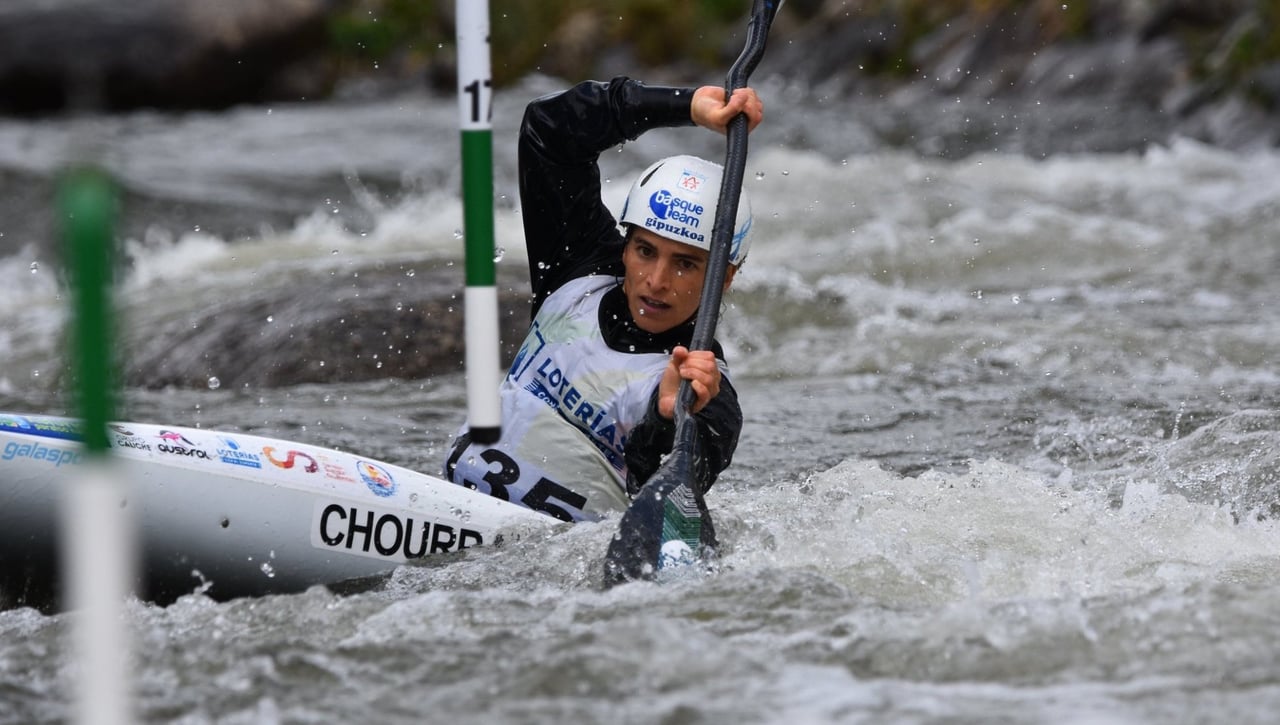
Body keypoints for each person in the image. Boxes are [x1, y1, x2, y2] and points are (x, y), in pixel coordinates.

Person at [444, 76, 764, 523]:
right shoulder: (578, 268)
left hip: (546, 567)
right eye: (645, 251)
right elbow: (549, 128)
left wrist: (666, 417)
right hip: (446, 512)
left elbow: (665, 493)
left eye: (685, 264)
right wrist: (686, 106)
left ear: (724, 277)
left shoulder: (709, 395)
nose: (655, 281)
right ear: (625, 244)